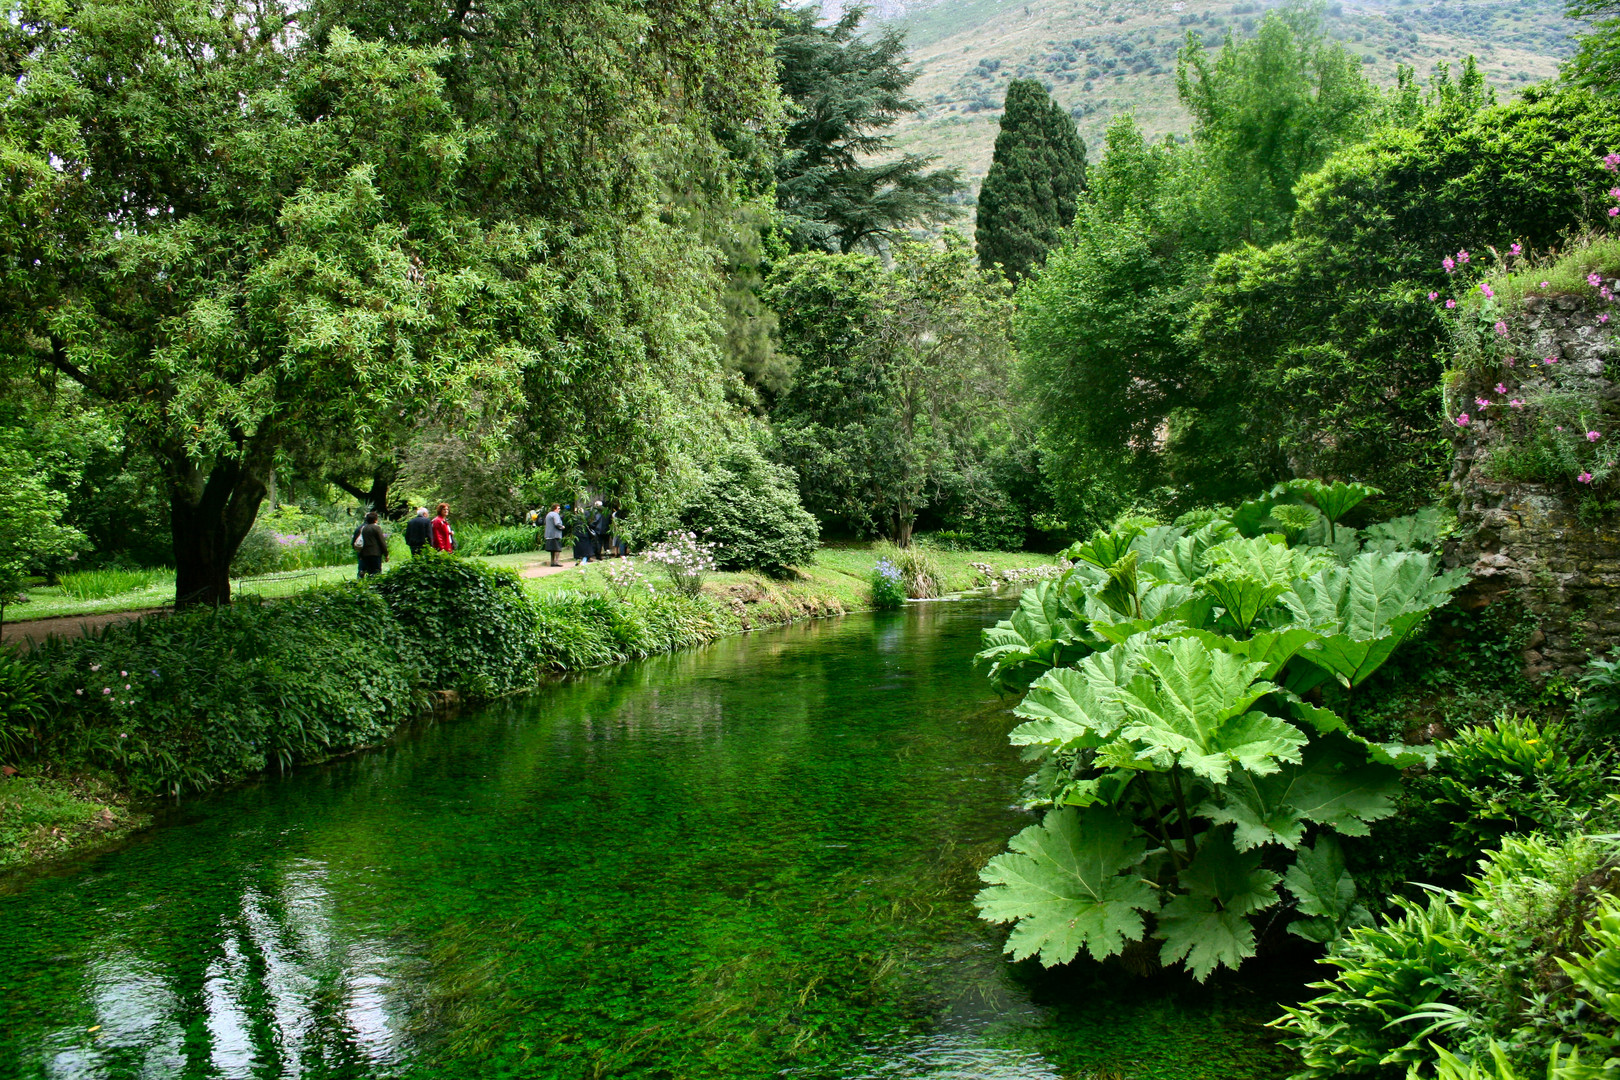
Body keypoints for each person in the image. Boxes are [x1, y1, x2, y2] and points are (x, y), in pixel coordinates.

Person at [357, 511, 390, 578]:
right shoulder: (376, 528)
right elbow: (382, 542)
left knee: (369, 571)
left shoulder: (364, 528)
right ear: (375, 520)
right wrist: (386, 554)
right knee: (376, 571)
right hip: (375, 553)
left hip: (365, 553)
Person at [543, 503, 565, 567]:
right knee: (557, 549)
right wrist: (562, 527)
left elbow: (545, 523)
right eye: (558, 508)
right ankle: (556, 562)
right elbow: (557, 523)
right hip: (555, 534)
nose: (559, 510)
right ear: (555, 509)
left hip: (549, 534)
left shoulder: (548, 514)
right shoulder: (555, 515)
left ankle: (552, 562)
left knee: (552, 549)